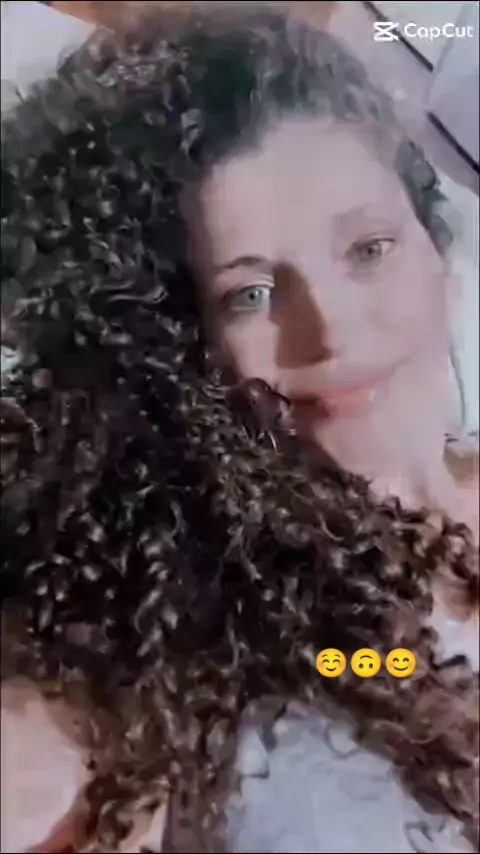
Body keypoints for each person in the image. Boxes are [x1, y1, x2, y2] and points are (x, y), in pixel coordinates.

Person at [1, 7, 478, 853]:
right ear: (181, 350)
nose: (331, 328)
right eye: (251, 294)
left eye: (368, 248)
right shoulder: (168, 652)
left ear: (434, 246)